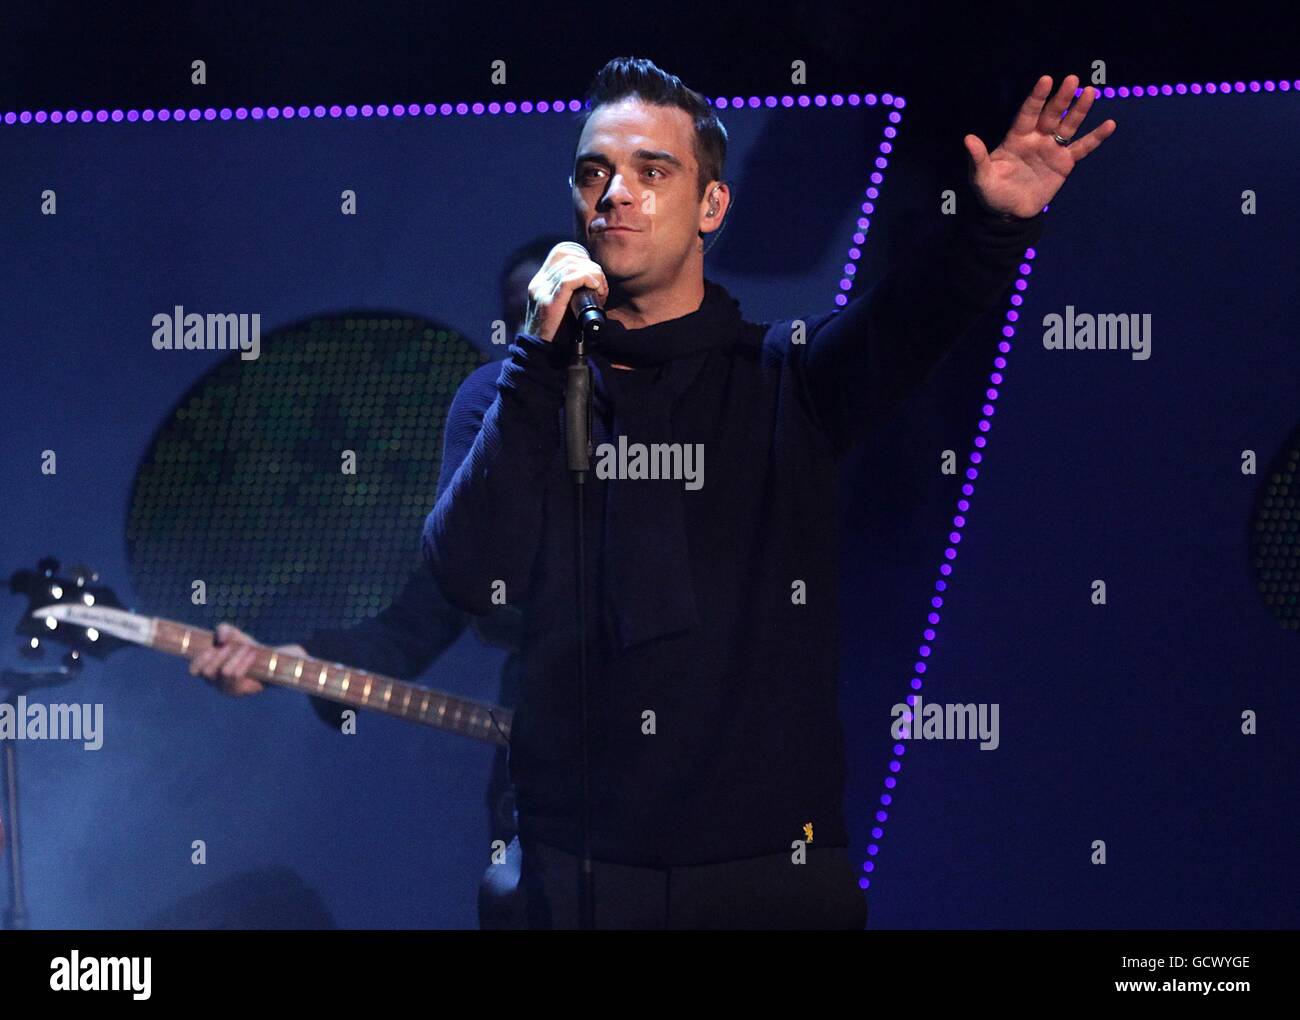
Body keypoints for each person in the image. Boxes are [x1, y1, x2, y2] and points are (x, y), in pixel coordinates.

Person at [424, 56, 1114, 929]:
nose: (615, 195)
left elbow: (906, 320)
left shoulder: (785, 380)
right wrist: (535, 363)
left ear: (712, 206)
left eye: (652, 170)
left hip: (772, 878)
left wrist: (991, 223)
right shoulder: (508, 397)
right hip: (574, 873)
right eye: (594, 171)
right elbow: (466, 574)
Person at [189, 234, 570, 930]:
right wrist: (297, 663)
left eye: (563, 299)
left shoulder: (684, 424)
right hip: (544, 782)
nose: (544, 318)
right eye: (527, 310)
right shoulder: (493, 444)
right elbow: (414, 622)